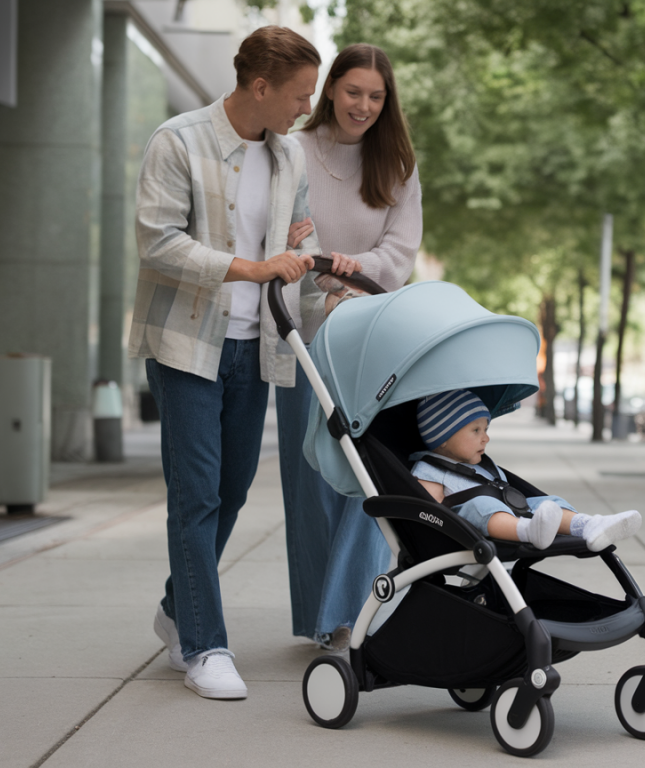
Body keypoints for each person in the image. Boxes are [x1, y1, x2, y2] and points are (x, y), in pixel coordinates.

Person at [129, 26, 323, 700]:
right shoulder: (177, 141)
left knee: (234, 490)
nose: (305, 108)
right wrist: (252, 266)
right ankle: (204, 646)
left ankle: (178, 606)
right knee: (198, 493)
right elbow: (158, 242)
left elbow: (297, 231)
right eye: (298, 95)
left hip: (254, 345)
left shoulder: (289, 155)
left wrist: (308, 251)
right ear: (260, 86)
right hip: (187, 345)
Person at [276, 44, 422, 652]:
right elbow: (278, 238)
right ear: (331, 88)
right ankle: (324, 618)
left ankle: (361, 609)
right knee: (310, 479)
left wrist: (344, 267)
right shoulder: (292, 152)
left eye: (376, 96)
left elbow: (399, 255)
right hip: (300, 338)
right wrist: (305, 258)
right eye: (354, 91)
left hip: (368, 341)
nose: (364, 105)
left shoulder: (398, 165)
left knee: (370, 477)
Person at [411, 390, 643, 551]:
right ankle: (530, 531)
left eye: (486, 428)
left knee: (548, 502)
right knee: (482, 506)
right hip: (471, 525)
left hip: (512, 508)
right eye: (476, 430)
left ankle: (590, 525)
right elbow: (430, 510)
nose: (486, 437)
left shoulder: (480, 463)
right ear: (442, 438)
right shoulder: (428, 469)